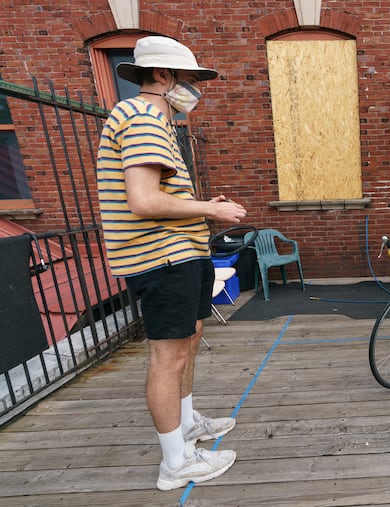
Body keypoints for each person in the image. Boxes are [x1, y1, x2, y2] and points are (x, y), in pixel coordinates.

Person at [96, 36, 247, 490]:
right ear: (162, 76)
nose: (194, 90)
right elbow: (143, 201)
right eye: (189, 79)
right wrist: (209, 209)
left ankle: (186, 426)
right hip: (162, 256)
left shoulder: (152, 120)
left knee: (189, 337)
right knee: (168, 355)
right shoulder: (142, 117)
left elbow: (159, 195)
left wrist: (200, 205)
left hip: (179, 252)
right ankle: (175, 464)